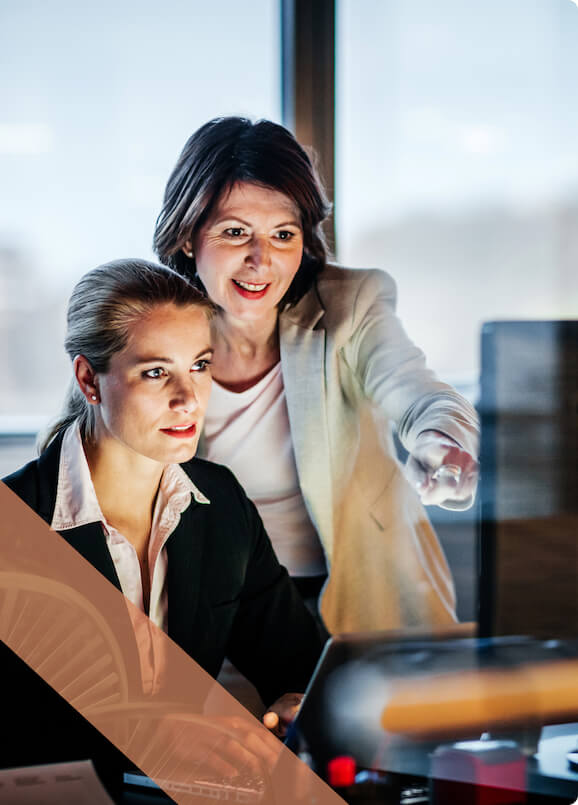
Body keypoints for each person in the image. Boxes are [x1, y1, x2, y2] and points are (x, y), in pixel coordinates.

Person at [0, 259, 324, 787]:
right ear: (89, 380)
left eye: (199, 365)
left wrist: (301, 703)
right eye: (155, 372)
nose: (188, 397)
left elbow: (304, 664)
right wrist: (150, 739)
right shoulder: (4, 524)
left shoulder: (220, 504)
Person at [154, 117, 480, 634]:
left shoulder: (350, 305)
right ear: (190, 237)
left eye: (283, 234)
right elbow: (69, 447)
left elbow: (420, 395)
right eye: (235, 232)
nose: (261, 260)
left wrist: (441, 441)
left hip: (358, 597)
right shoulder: (150, 323)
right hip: (211, 610)